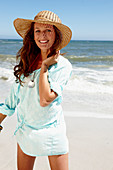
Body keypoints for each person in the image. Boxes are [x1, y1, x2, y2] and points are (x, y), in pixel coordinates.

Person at [0, 10, 72, 170]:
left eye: (48, 30)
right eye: (37, 31)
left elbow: (45, 99)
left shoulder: (62, 65)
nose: (42, 36)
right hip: (26, 131)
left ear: (56, 34)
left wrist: (45, 66)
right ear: (32, 35)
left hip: (52, 132)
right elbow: (12, 101)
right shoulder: (27, 62)